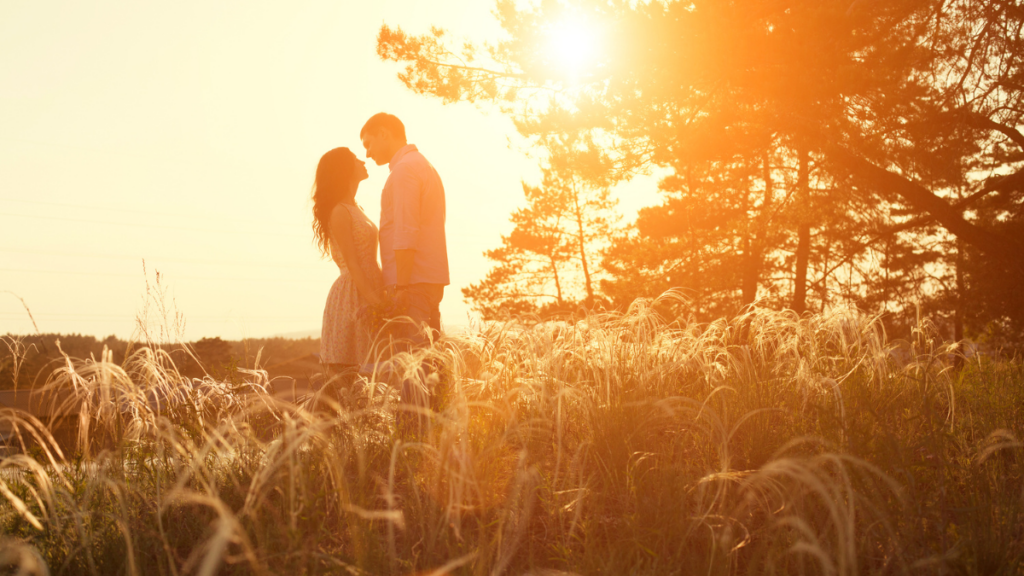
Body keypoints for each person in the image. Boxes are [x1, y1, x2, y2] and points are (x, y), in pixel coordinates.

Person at [360, 113, 449, 423]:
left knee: (414, 369)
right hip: (427, 278)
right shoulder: (422, 166)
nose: (367, 154)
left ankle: (416, 440)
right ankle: (432, 435)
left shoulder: (404, 172)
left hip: (412, 282)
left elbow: (406, 231)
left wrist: (400, 287)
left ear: (385, 133)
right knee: (428, 362)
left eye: (369, 144)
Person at [311, 147, 385, 387]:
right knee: (350, 377)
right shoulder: (339, 212)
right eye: (355, 159)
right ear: (344, 170)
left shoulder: (355, 208)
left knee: (375, 373)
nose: (362, 160)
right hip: (352, 296)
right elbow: (352, 263)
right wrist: (375, 300)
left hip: (368, 288)